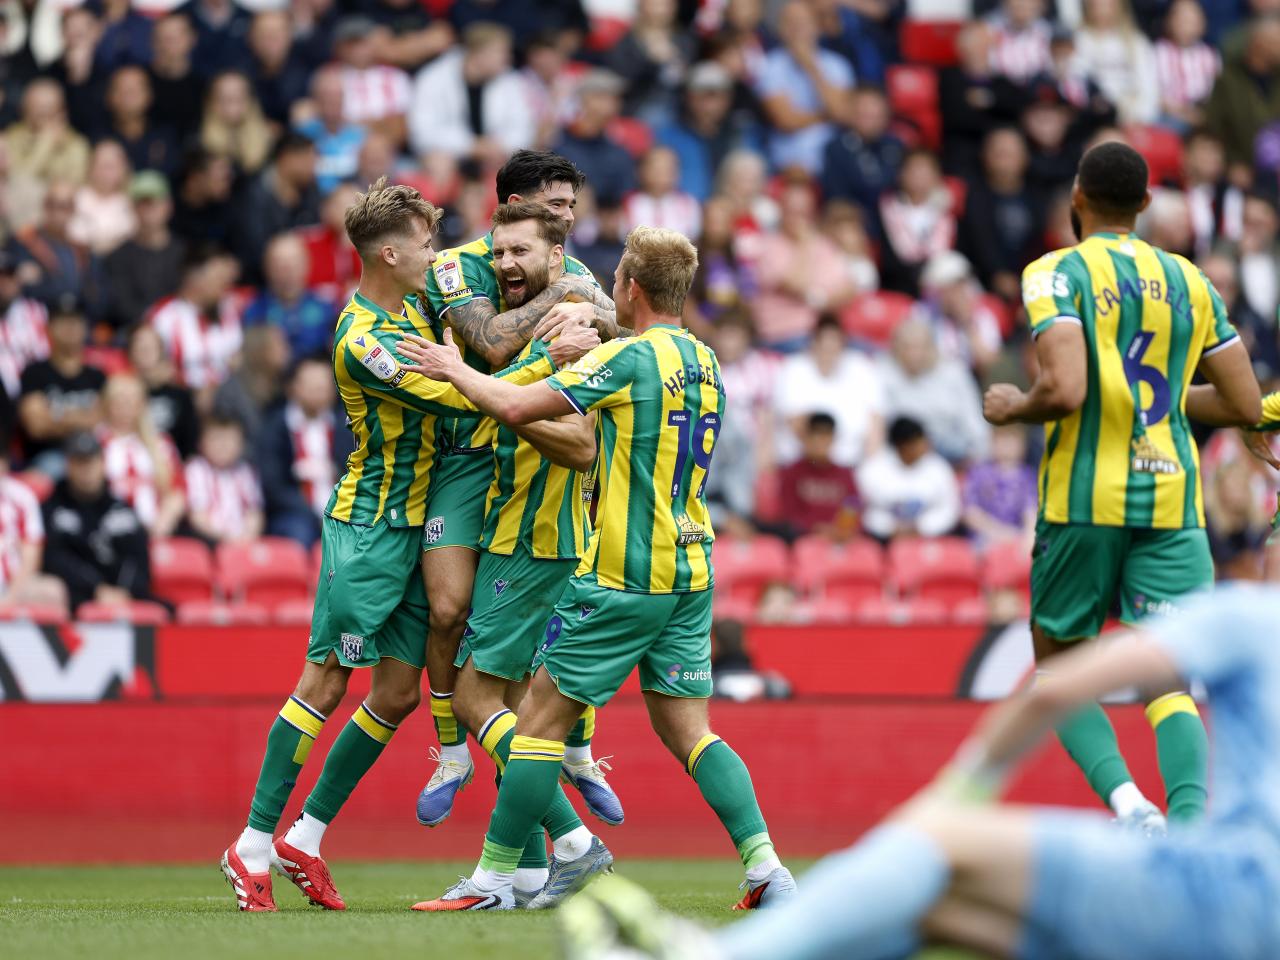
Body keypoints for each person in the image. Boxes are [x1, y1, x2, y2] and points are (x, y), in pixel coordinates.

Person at [219, 177, 598, 913]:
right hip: (369, 530)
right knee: (324, 684)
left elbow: (476, 330)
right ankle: (254, 842)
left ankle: (307, 835)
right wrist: (553, 357)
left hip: (420, 521)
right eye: (426, 244)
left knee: (394, 695)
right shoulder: (366, 340)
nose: (438, 254)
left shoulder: (420, 306)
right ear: (388, 253)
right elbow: (463, 394)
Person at [398, 226, 795, 912]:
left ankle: (493, 882)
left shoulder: (632, 360)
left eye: (615, 280)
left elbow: (521, 406)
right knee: (691, 731)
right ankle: (767, 871)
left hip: (622, 573)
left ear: (631, 287)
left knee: (538, 727)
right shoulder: (704, 360)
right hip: (692, 571)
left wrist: (454, 367)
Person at [563, 583, 1280, 960]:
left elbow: (1059, 684)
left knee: (935, 843)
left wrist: (959, 793)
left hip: (1237, 893)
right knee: (928, 903)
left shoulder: (1250, 614)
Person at [982, 140, 1262, 831]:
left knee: (1058, 666)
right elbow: (1246, 406)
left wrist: (1017, 404)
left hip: (1084, 501)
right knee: (1170, 680)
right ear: (1144, 205)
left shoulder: (1054, 273)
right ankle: (1192, 824)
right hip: (1173, 502)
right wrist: (1158, 407)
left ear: (1076, 197)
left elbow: (1068, 387)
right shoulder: (1192, 281)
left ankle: (1131, 807)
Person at [414, 204, 623, 910]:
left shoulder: (576, 334)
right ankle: (523, 878)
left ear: (558, 259)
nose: (505, 263)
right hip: (522, 543)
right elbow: (506, 394)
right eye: (498, 251)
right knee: (509, 709)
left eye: (522, 251)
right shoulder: (547, 334)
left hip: (537, 547)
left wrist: (456, 369)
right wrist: (462, 372)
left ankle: (568, 843)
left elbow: (583, 442)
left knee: (474, 698)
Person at [42, 431, 151, 612]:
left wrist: (124, 592)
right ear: (68, 466)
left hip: (126, 595)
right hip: (75, 597)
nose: (86, 469)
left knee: (169, 610)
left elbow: (139, 557)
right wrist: (96, 589)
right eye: (79, 462)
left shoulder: (121, 509)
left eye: (91, 461)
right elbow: (54, 558)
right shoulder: (52, 508)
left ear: (102, 463)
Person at [256, 354, 354, 548]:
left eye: (324, 385)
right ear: (292, 387)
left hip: (342, 510)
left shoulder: (347, 425)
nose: (319, 390)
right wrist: (312, 513)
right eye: (312, 384)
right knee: (298, 532)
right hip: (294, 514)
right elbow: (272, 484)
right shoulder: (275, 426)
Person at [407, 22, 533, 165]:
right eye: (501, 52)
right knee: (439, 163)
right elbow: (423, 133)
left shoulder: (510, 79)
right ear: (478, 54)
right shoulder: (433, 78)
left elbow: (523, 128)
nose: (507, 58)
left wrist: (498, 146)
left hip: (495, 155)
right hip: (452, 155)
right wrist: (470, 146)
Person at [755, 0, 853, 175]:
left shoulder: (838, 65)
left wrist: (812, 68)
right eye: (790, 23)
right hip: (789, 162)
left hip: (833, 161)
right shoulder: (768, 65)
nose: (797, 29)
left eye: (804, 23)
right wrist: (826, 116)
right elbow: (786, 121)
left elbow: (842, 114)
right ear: (780, 29)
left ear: (817, 26)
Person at [772, 317, 883, 469]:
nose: (828, 350)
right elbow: (794, 423)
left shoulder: (862, 368)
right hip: (802, 464)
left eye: (834, 343)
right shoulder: (793, 368)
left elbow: (875, 425)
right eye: (824, 344)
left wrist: (872, 469)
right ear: (813, 343)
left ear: (843, 344)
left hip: (851, 467)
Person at [18, 295, 105, 477]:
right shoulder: (34, 373)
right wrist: (83, 419)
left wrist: (57, 418)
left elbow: (104, 421)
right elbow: (37, 427)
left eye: (75, 322)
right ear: (49, 328)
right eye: (63, 322)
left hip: (94, 455)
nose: (70, 328)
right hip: (50, 457)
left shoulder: (97, 375)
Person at [146, 246, 242, 404]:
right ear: (194, 278)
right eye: (218, 278)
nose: (225, 286)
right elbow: (153, 371)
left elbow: (236, 359)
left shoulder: (228, 310)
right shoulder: (162, 318)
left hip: (225, 399)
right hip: (180, 401)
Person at [98, 373, 186, 539]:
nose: (125, 408)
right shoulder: (96, 442)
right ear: (107, 404)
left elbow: (177, 491)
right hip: (109, 530)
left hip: (154, 530)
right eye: (119, 401)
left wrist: (163, 522)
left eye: (131, 401)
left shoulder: (161, 443)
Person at [857, 415, 961, 542]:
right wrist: (888, 528)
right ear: (901, 445)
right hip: (882, 539)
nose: (924, 447)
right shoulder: (873, 468)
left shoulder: (938, 468)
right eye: (917, 443)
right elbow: (864, 510)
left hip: (930, 538)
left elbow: (949, 510)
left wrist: (922, 528)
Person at [819, 84, 905, 235]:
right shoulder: (836, 149)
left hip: (899, 227)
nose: (871, 120)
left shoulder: (896, 147)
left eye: (876, 114)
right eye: (865, 114)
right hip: (857, 229)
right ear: (852, 113)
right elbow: (837, 202)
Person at [242, 233, 334, 361]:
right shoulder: (255, 312)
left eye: (294, 263)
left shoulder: (327, 309)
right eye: (280, 265)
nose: (288, 271)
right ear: (267, 268)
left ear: (307, 264)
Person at [0, 445, 67, 611]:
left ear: (5, 463)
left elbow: (31, 555)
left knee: (53, 591)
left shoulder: (21, 497)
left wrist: (11, 597)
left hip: (12, 584)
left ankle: (58, 637)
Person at [776, 412, 858, 540]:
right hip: (802, 539)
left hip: (840, 539)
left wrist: (843, 528)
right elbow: (789, 513)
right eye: (817, 435)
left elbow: (853, 506)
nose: (821, 442)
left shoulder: (845, 474)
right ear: (806, 437)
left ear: (833, 439)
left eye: (826, 436)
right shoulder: (792, 472)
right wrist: (815, 528)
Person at [184, 414, 264, 545]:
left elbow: (254, 513)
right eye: (216, 440)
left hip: (243, 541)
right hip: (209, 541)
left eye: (229, 440)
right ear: (201, 443)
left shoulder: (246, 472)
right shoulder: (196, 470)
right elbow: (197, 517)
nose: (223, 446)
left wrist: (246, 537)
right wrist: (224, 539)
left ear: (241, 445)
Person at [127, 324, 199, 461]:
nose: (145, 351)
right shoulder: (123, 393)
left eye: (150, 347)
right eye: (140, 347)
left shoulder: (181, 395)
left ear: (161, 351)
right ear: (131, 353)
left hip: (174, 466)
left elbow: (190, 442)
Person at [963, 422, 1038, 549]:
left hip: (1017, 537)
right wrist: (998, 532)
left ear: (1022, 445)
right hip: (984, 537)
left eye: (1012, 441)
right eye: (1002, 441)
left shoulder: (1027, 476)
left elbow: (1031, 512)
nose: (1006, 447)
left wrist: (1029, 536)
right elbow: (970, 513)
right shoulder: (979, 473)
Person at [622, 146, 701, 240]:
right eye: (656, 168)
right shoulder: (629, 203)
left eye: (668, 168)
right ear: (640, 171)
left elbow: (693, 240)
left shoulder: (688, 204)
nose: (661, 174)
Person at [0, 250, 49, 403]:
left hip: (32, 397)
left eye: (10, 275)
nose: (5, 282)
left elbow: (44, 357)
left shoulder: (37, 312)